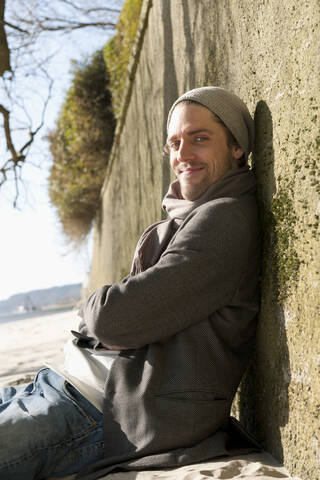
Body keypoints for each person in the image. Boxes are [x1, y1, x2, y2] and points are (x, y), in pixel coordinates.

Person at [0, 86, 261, 480]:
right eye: (175, 142)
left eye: (200, 139)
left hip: (98, 412)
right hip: (62, 385)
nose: (183, 154)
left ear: (238, 146)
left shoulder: (224, 219)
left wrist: (90, 303)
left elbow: (112, 320)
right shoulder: (191, 217)